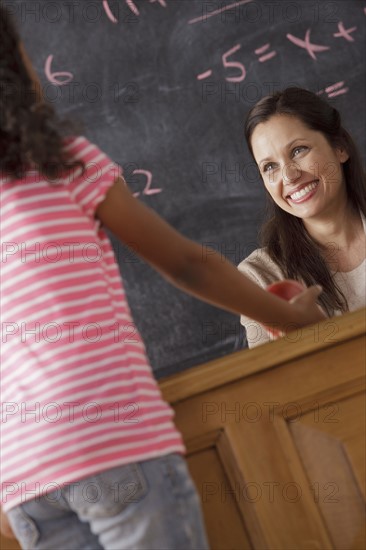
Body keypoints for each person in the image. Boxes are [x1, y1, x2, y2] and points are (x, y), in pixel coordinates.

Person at [0, 6, 325, 550]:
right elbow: (185, 262)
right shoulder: (57, 161)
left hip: (24, 471)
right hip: (110, 436)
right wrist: (288, 315)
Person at [238, 87, 366, 348]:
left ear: (339, 147)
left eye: (298, 150)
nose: (289, 176)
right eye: (270, 167)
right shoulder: (260, 277)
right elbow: (277, 385)